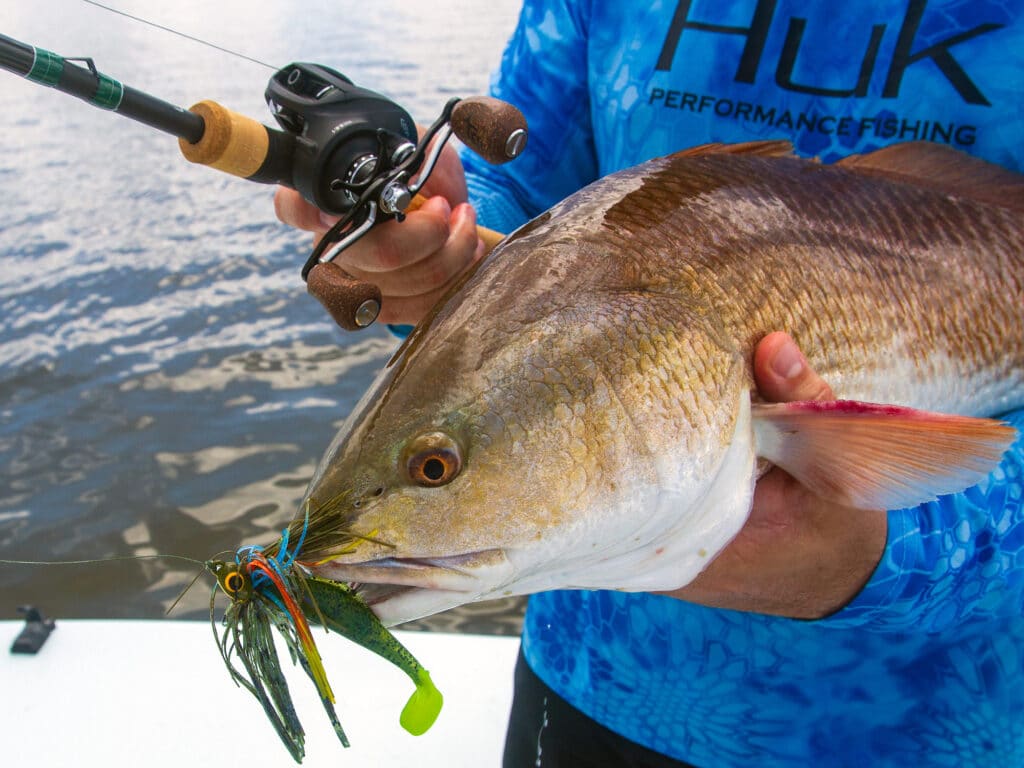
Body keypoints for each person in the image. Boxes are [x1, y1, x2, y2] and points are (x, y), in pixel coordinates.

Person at [276, 1, 1024, 765]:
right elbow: (527, 202)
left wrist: (886, 556)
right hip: (595, 683)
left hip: (943, 725)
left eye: (435, 467)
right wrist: (433, 245)